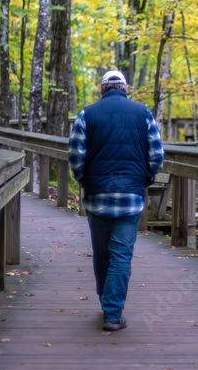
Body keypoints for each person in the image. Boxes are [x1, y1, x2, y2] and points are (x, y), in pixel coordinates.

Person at [68, 70, 164, 331]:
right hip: (130, 198)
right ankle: (112, 313)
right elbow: (156, 155)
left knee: (101, 252)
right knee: (121, 254)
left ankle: (106, 302)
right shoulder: (142, 113)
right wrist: (145, 179)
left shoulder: (87, 114)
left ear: (102, 89)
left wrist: (83, 179)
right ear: (125, 88)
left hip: (97, 196)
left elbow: (76, 155)